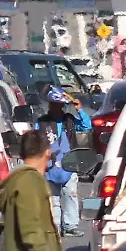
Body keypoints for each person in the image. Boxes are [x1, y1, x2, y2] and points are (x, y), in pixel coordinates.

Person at [42, 87, 83, 236]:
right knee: (53, 198)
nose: (57, 108)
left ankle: (71, 225)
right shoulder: (42, 122)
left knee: (70, 195)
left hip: (69, 163)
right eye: (54, 105)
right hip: (50, 165)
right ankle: (55, 227)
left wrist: (79, 110)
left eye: (60, 105)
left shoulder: (69, 120)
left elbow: (86, 125)